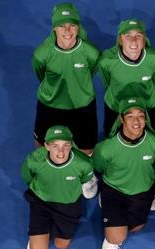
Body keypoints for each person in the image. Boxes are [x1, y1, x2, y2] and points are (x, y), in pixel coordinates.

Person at [93, 97, 155, 249]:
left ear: (146, 118)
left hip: (143, 190)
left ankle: (153, 194)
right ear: (121, 119)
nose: (136, 121)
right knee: (117, 237)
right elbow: (99, 167)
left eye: (141, 116)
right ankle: (105, 202)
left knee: (135, 228)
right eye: (130, 116)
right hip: (114, 191)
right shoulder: (106, 148)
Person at [31, 2, 100, 156]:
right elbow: (40, 74)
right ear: (54, 28)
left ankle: (86, 178)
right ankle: (46, 172)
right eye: (62, 26)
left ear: (78, 27)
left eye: (72, 25)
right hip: (50, 105)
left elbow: (92, 72)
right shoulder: (42, 54)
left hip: (82, 106)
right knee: (42, 144)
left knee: (87, 148)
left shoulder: (91, 53)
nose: (67, 30)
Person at [21, 125, 96, 249]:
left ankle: (43, 231)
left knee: (61, 245)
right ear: (47, 146)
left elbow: (85, 178)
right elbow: (27, 177)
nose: (61, 152)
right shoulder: (34, 159)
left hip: (69, 207)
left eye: (65, 146)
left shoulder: (84, 163)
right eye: (55, 146)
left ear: (72, 145)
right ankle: (36, 232)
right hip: (41, 203)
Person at [98, 18, 155, 135]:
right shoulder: (107, 60)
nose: (134, 41)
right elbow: (107, 82)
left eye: (138, 36)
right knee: (112, 144)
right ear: (120, 39)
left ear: (144, 39)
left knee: (151, 143)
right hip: (116, 106)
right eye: (128, 36)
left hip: (148, 106)